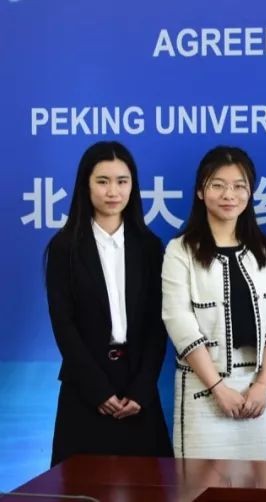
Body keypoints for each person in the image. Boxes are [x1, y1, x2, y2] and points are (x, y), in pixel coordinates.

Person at [44, 141, 172, 466]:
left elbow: (158, 325)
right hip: (85, 386)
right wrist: (97, 389)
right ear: (85, 185)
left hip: (137, 388)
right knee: (80, 484)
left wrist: (143, 388)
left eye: (122, 181)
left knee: (151, 484)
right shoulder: (64, 248)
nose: (113, 191)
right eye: (102, 181)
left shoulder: (149, 246)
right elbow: (63, 325)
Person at [162, 146, 266, 460]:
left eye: (239, 186)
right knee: (201, 483)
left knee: (261, 482)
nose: (229, 194)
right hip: (203, 391)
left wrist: (263, 385)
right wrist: (217, 388)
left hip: (256, 391)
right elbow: (179, 322)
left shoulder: (265, 250)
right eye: (217, 185)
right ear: (200, 192)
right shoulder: (181, 250)